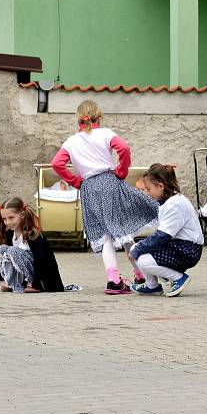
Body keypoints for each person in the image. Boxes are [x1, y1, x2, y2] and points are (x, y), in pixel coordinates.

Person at [52, 99, 158, 294]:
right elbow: (124, 149)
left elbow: (57, 163)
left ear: (78, 121)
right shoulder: (105, 134)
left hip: (88, 188)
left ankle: (123, 277)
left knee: (108, 234)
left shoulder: (71, 141)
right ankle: (128, 276)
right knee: (121, 227)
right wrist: (121, 171)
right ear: (99, 118)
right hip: (109, 182)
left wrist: (75, 181)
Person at [129, 164, 204, 297]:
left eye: (148, 189)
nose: (146, 193)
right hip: (178, 246)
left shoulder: (174, 204)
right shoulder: (168, 201)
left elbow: (162, 236)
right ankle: (152, 286)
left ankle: (179, 278)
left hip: (187, 250)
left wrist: (139, 249)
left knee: (143, 259)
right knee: (137, 249)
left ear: (161, 186)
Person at [0, 197, 65, 293]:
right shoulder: (10, 234)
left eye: (11, 218)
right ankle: (10, 282)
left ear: (22, 215)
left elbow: (42, 259)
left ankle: (33, 284)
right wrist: (1, 280)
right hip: (24, 277)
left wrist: (35, 283)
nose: (8, 222)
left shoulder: (33, 234)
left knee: (12, 250)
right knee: (1, 250)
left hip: (42, 279)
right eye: (4, 219)